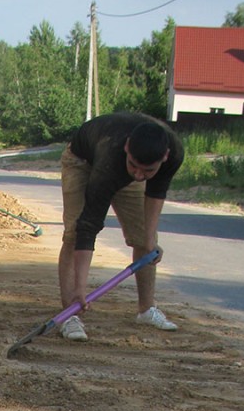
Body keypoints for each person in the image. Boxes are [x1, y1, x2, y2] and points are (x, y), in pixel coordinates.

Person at [58, 112, 185, 341]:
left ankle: (146, 310)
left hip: (117, 163)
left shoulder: (173, 152)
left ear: (164, 157)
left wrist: (148, 241)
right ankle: (70, 313)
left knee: (143, 236)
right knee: (75, 233)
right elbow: (89, 225)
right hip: (82, 161)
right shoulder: (109, 161)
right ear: (127, 148)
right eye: (134, 166)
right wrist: (81, 287)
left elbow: (156, 193)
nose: (139, 175)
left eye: (148, 171)